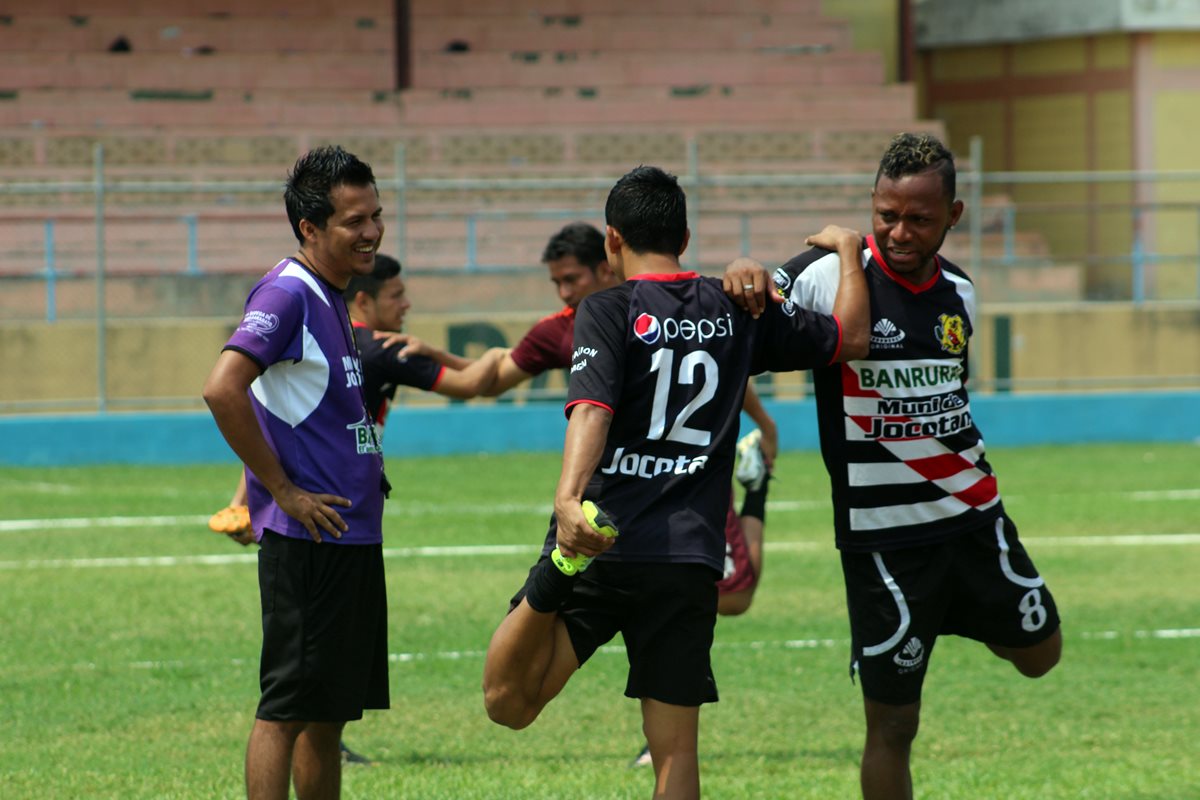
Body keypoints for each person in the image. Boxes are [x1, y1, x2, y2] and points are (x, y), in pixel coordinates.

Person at [481, 165, 869, 799]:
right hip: (687, 557)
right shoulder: (739, 307)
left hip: (603, 544)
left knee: (509, 703)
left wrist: (568, 500)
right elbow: (851, 337)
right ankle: (560, 569)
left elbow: (593, 407)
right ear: (685, 236)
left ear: (611, 241)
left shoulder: (606, 308)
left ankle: (558, 569)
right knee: (675, 754)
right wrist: (850, 251)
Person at [725, 132, 1063, 800]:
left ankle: (952, 612)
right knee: (894, 726)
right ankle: (923, 619)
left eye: (919, 219)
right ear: (870, 207)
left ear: (954, 217)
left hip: (975, 520)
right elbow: (745, 314)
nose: (899, 232)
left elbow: (949, 399)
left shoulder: (961, 292)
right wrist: (744, 267)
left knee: (1041, 655)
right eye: (886, 215)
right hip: (885, 546)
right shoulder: (829, 275)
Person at [202, 145, 392, 800]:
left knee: (325, 714)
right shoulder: (288, 293)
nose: (370, 231)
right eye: (352, 220)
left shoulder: (331, 294)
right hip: (310, 540)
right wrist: (279, 491)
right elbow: (223, 387)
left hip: (350, 535)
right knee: (286, 708)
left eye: (375, 215)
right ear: (310, 229)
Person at [208, 253, 506, 548]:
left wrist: (242, 504)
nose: (406, 305)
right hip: (341, 500)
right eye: (396, 296)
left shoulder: (317, 337)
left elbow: (276, 427)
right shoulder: (386, 350)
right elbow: (472, 384)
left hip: (296, 501)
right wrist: (495, 354)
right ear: (363, 301)